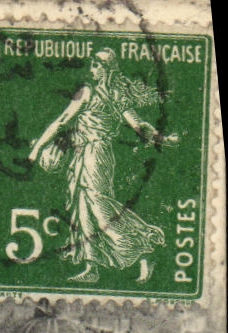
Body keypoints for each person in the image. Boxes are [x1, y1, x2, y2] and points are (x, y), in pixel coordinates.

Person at [27, 47, 177, 284]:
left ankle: (145, 246)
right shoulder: (101, 93)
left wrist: (162, 138)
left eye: (97, 66)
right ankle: (92, 266)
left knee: (98, 206)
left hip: (96, 154)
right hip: (84, 154)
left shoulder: (101, 94)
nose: (92, 69)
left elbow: (139, 126)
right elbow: (64, 120)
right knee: (84, 207)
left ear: (107, 70)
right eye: (93, 65)